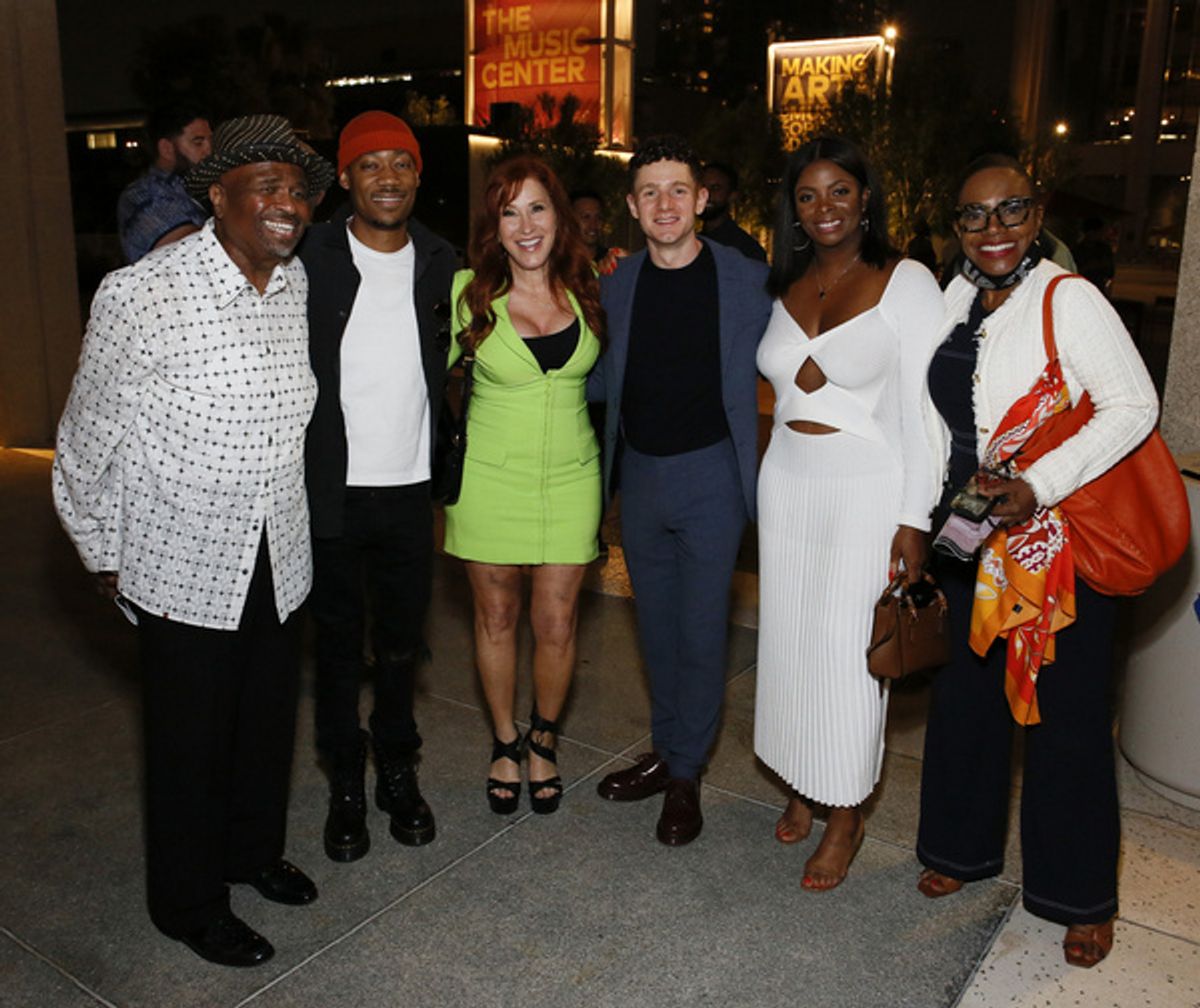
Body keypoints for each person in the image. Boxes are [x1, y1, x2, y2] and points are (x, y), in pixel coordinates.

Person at [53, 114, 335, 967]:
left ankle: (250, 854)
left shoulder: (296, 286)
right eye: (267, 186)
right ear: (219, 194)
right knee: (188, 742)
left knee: (262, 722)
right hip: (180, 555)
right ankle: (186, 900)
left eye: (298, 190)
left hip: (278, 550)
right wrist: (102, 549)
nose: (288, 203)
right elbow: (84, 438)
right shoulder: (142, 293)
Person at [916, 154, 1158, 967]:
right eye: (973, 216)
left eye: (1010, 210)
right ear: (956, 226)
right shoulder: (954, 297)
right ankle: (958, 852)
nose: (993, 230)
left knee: (1068, 720)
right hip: (966, 531)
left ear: (1037, 211)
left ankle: (1078, 893)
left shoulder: (1069, 296)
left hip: (1054, 546)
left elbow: (1135, 405)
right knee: (967, 701)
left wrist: (1040, 483)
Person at [753, 136, 945, 890]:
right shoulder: (786, 281)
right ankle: (804, 777)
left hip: (866, 485)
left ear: (866, 197)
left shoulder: (907, 281)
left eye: (840, 191)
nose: (824, 207)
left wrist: (915, 518)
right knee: (792, 641)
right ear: (792, 210)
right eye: (808, 195)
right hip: (787, 482)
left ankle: (847, 813)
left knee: (849, 652)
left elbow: (926, 414)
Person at [590, 135, 771, 846]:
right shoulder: (617, 283)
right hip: (641, 476)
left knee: (701, 632)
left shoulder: (748, 280)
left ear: (702, 200)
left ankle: (688, 771)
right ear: (633, 207)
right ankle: (666, 751)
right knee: (655, 628)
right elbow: (604, 377)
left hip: (712, 476)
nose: (665, 203)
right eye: (650, 192)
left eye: (678, 190)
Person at [300, 111, 455, 862]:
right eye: (370, 164)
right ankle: (346, 783)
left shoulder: (440, 258)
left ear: (419, 175)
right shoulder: (312, 255)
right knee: (335, 648)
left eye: (401, 162)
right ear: (345, 178)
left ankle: (398, 767)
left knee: (400, 645)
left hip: (409, 487)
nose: (387, 176)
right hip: (330, 488)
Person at [445, 156, 604, 817]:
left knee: (558, 623)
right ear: (495, 227)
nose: (525, 224)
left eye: (536, 207)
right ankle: (505, 741)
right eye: (509, 212)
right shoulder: (467, 295)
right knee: (497, 616)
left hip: (573, 480)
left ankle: (544, 736)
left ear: (559, 216)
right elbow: (415, 383)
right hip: (488, 482)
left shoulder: (589, 284)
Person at [116, 104, 212, 262]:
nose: (209, 151)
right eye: (198, 142)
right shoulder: (144, 194)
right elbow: (191, 250)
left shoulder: (198, 189)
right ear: (167, 148)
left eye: (210, 141)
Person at [699, 160, 768, 261]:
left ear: (732, 196)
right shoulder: (691, 243)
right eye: (702, 187)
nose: (706, 194)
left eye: (715, 188)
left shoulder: (745, 250)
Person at [571, 188, 626, 275]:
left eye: (598, 218)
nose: (593, 225)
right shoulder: (556, 264)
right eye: (586, 217)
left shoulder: (611, 261)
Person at [1073, 216, 1116, 296]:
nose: (1101, 235)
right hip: (1081, 289)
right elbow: (1073, 271)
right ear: (1090, 232)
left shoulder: (1104, 249)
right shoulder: (1077, 250)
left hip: (1098, 290)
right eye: (1099, 232)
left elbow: (1110, 271)